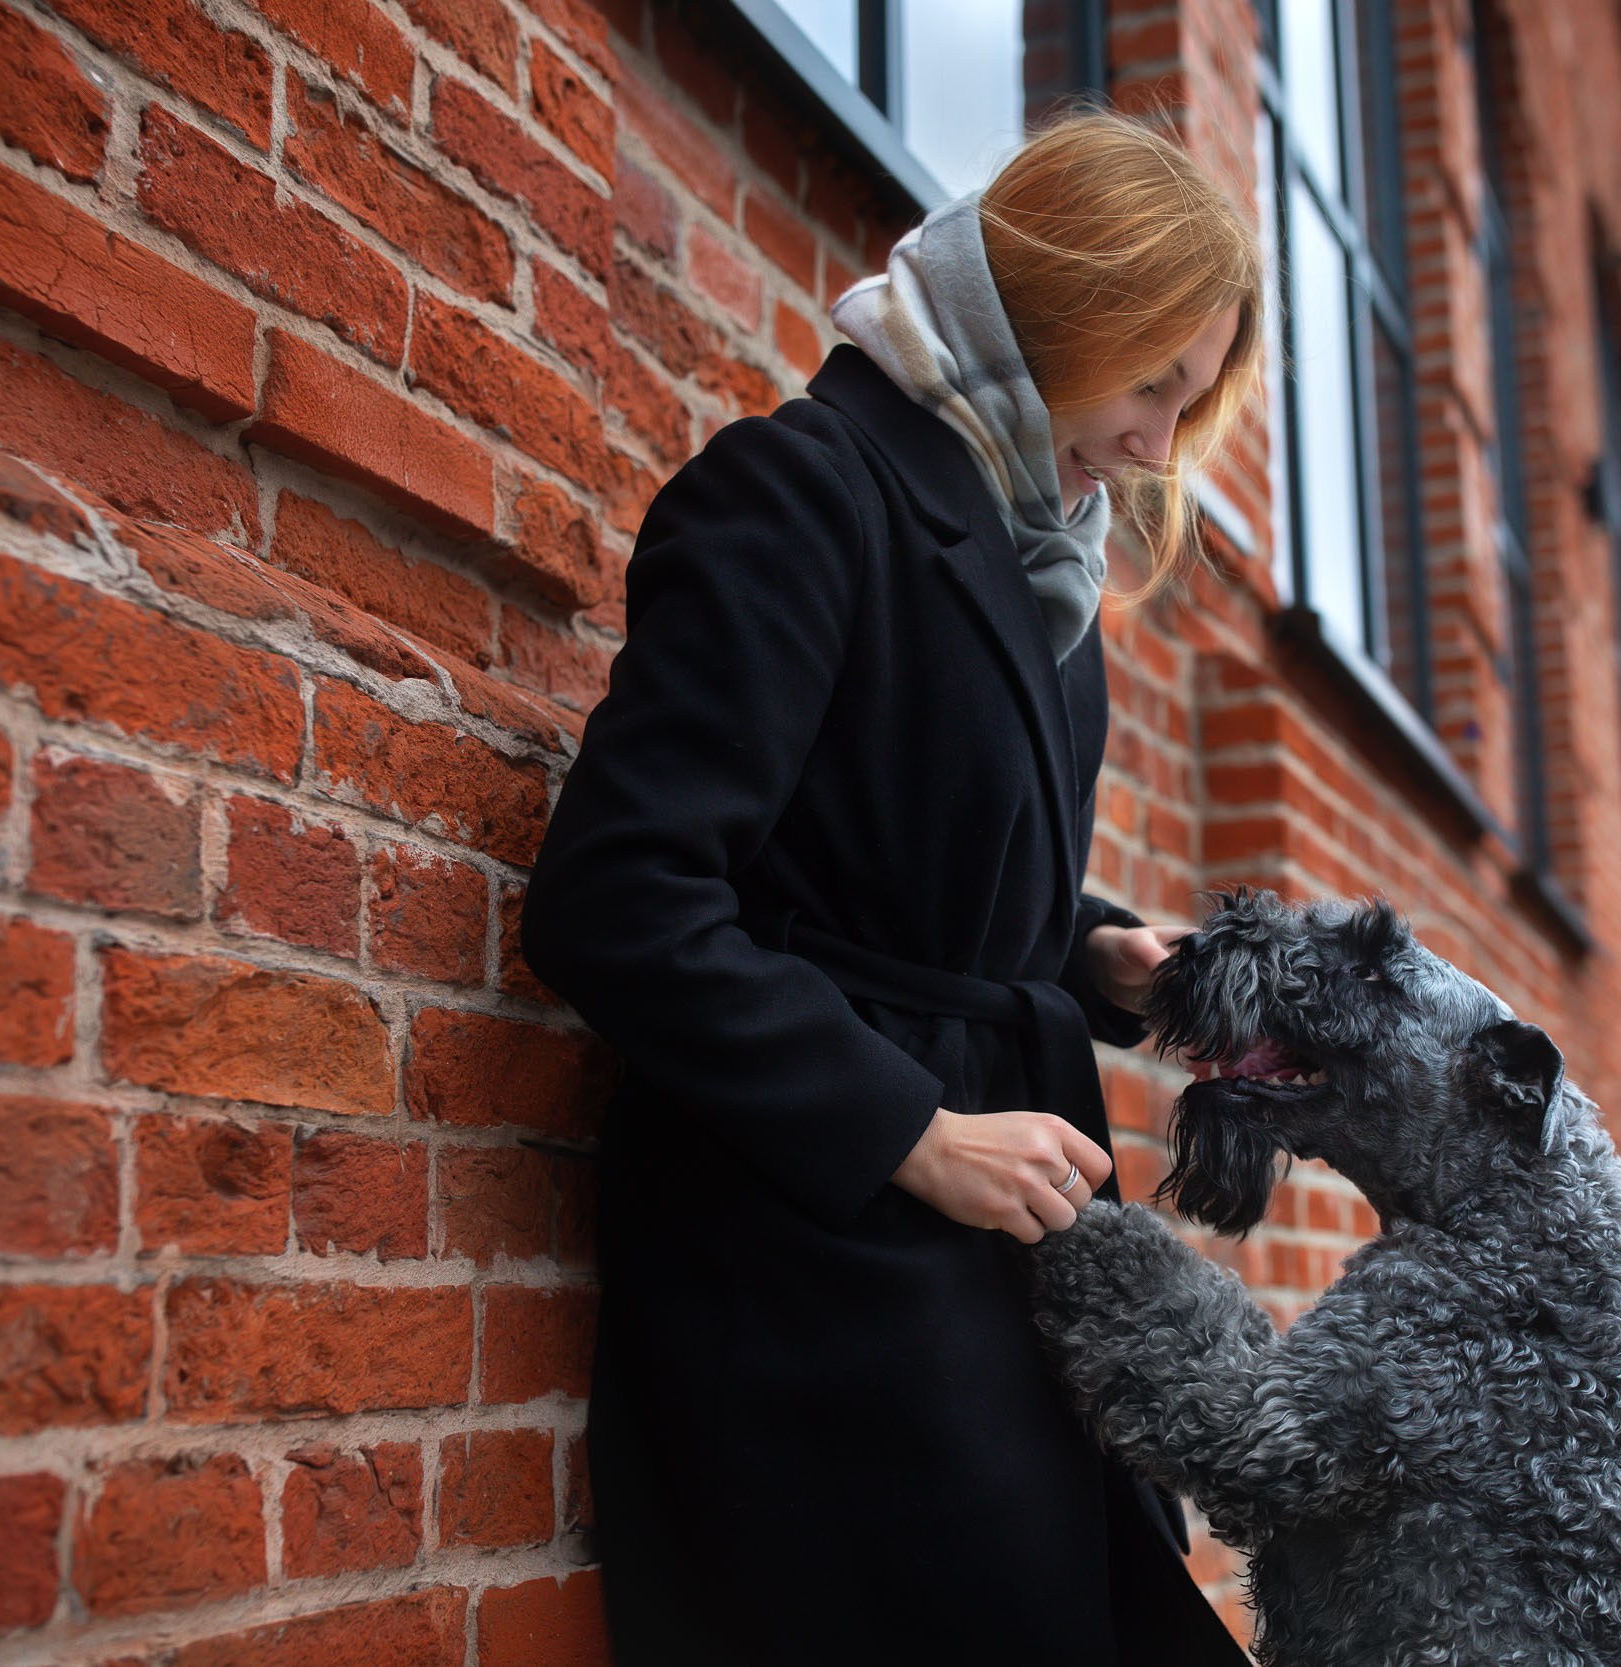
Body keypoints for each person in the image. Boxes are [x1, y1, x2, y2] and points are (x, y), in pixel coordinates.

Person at [520, 108, 1264, 1667]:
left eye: (1183, 406)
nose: (1150, 443)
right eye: (1150, 385)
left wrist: (1097, 957)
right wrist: (909, 1134)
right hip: (819, 1270)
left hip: (993, 1251)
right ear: (1050, 314)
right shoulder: (800, 491)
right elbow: (623, 895)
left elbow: (922, 877)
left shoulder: (1037, 557)